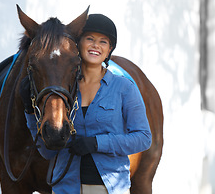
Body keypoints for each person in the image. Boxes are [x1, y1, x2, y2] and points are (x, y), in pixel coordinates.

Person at [23, 14, 152, 194]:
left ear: (110, 49)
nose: (95, 46)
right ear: (78, 44)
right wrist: (30, 112)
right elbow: (47, 152)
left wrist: (97, 143)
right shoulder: (62, 91)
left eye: (103, 42)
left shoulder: (124, 88)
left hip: (109, 188)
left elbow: (143, 138)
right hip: (65, 187)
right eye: (89, 39)